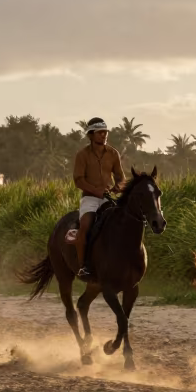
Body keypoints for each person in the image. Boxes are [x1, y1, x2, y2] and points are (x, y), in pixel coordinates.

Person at [72, 117, 127, 280]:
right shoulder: (82, 155)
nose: (104, 135)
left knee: (123, 223)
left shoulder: (113, 153)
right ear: (90, 135)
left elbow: (120, 177)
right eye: (100, 133)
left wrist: (118, 186)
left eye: (105, 132)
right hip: (89, 198)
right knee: (86, 225)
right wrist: (96, 191)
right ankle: (83, 267)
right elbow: (78, 180)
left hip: (107, 198)